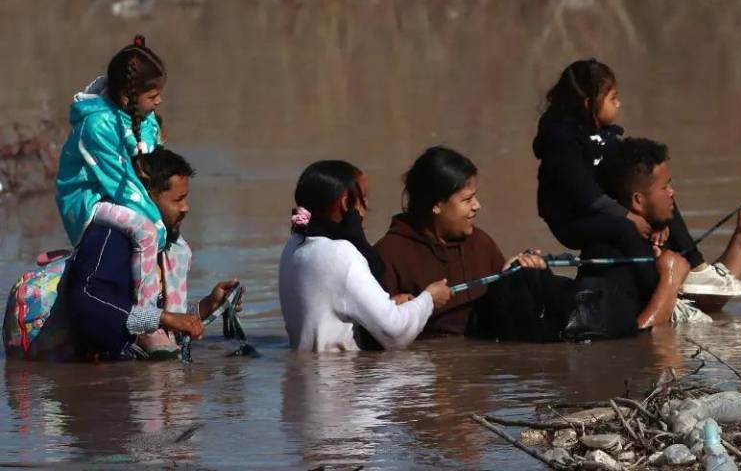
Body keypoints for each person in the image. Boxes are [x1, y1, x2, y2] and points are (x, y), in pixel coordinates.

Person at [532, 58, 741, 298]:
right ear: (588, 104)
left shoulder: (606, 135)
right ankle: (659, 290)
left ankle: (696, 267)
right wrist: (628, 216)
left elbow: (626, 179)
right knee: (624, 228)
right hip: (572, 219)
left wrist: (659, 222)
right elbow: (582, 191)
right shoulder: (561, 140)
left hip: (606, 209)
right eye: (613, 98)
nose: (619, 103)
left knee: (661, 195)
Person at [55, 36, 181, 356]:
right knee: (147, 230)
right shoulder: (96, 125)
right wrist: (157, 220)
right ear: (128, 96)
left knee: (180, 248)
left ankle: (176, 320)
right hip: (89, 199)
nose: (159, 101)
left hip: (120, 191)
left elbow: (150, 165)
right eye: (153, 95)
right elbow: (119, 182)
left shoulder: (143, 117)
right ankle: (145, 325)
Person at [574, 137, 741, 332]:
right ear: (638, 200)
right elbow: (630, 337)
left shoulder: (656, 241)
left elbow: (708, 303)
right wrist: (670, 281)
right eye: (664, 187)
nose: (672, 192)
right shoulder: (611, 256)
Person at [64, 147, 243, 361]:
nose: (186, 208)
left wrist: (207, 306)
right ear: (146, 198)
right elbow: (86, 302)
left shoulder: (162, 244)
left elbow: (153, 312)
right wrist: (163, 318)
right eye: (178, 200)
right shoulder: (111, 239)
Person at [373, 146, 565, 340]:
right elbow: (375, 333)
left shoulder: (481, 243)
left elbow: (499, 315)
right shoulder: (389, 253)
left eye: (475, 196)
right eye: (467, 199)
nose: (477, 205)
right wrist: (397, 308)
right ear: (436, 205)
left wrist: (511, 275)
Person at [278, 160, 450, 352]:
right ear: (346, 203)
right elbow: (395, 333)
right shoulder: (341, 254)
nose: (366, 205)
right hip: (340, 371)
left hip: (307, 369)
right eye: (364, 197)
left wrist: (391, 305)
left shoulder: (294, 246)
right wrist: (429, 299)